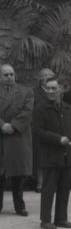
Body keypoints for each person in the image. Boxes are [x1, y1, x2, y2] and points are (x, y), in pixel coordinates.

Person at [33, 77, 71, 229]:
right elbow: (37, 132)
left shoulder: (69, 108)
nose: (51, 91)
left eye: (54, 88)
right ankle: (45, 220)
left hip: (66, 156)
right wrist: (58, 139)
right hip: (50, 156)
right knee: (48, 189)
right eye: (48, 88)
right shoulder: (40, 109)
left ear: (61, 89)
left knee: (64, 189)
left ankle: (61, 219)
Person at [0, 64, 34, 217]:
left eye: (11, 74)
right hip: (1, 135)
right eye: (5, 74)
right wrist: (2, 125)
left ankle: (19, 206)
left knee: (18, 174)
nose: (9, 77)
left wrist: (13, 126)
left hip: (17, 136)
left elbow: (27, 112)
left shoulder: (26, 92)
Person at [32, 68, 55, 192]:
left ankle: (51, 182)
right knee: (40, 156)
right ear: (40, 78)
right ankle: (40, 182)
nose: (47, 77)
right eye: (45, 75)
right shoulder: (34, 92)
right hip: (40, 127)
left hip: (53, 128)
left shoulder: (55, 91)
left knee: (52, 156)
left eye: (50, 75)